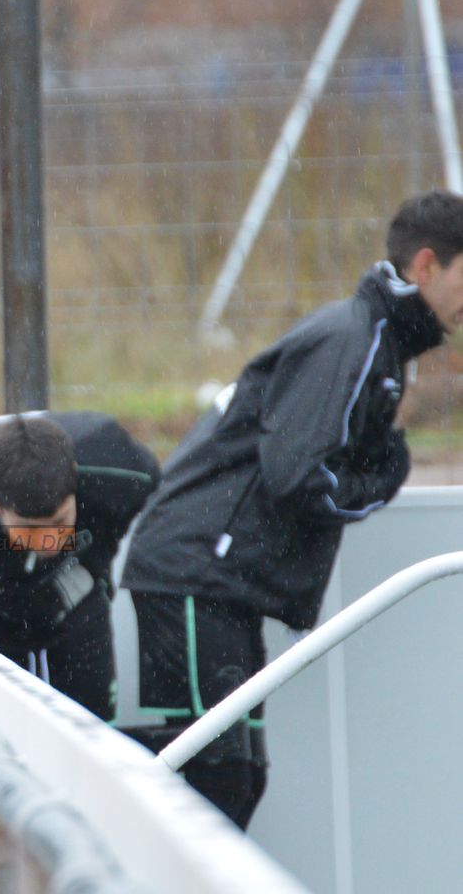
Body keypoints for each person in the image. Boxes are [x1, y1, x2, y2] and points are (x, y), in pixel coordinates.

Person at [121, 189, 463, 830]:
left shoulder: (379, 344)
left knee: (236, 777)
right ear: (426, 266)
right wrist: (377, 480)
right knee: (211, 778)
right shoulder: (352, 339)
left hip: (218, 582)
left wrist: (381, 468)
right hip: (195, 574)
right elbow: (299, 474)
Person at [0, 412, 160, 721]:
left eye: (60, 521)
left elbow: (139, 513)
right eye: (31, 528)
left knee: (91, 725)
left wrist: (82, 574)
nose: (49, 540)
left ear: (75, 481)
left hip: (76, 597)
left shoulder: (121, 470)